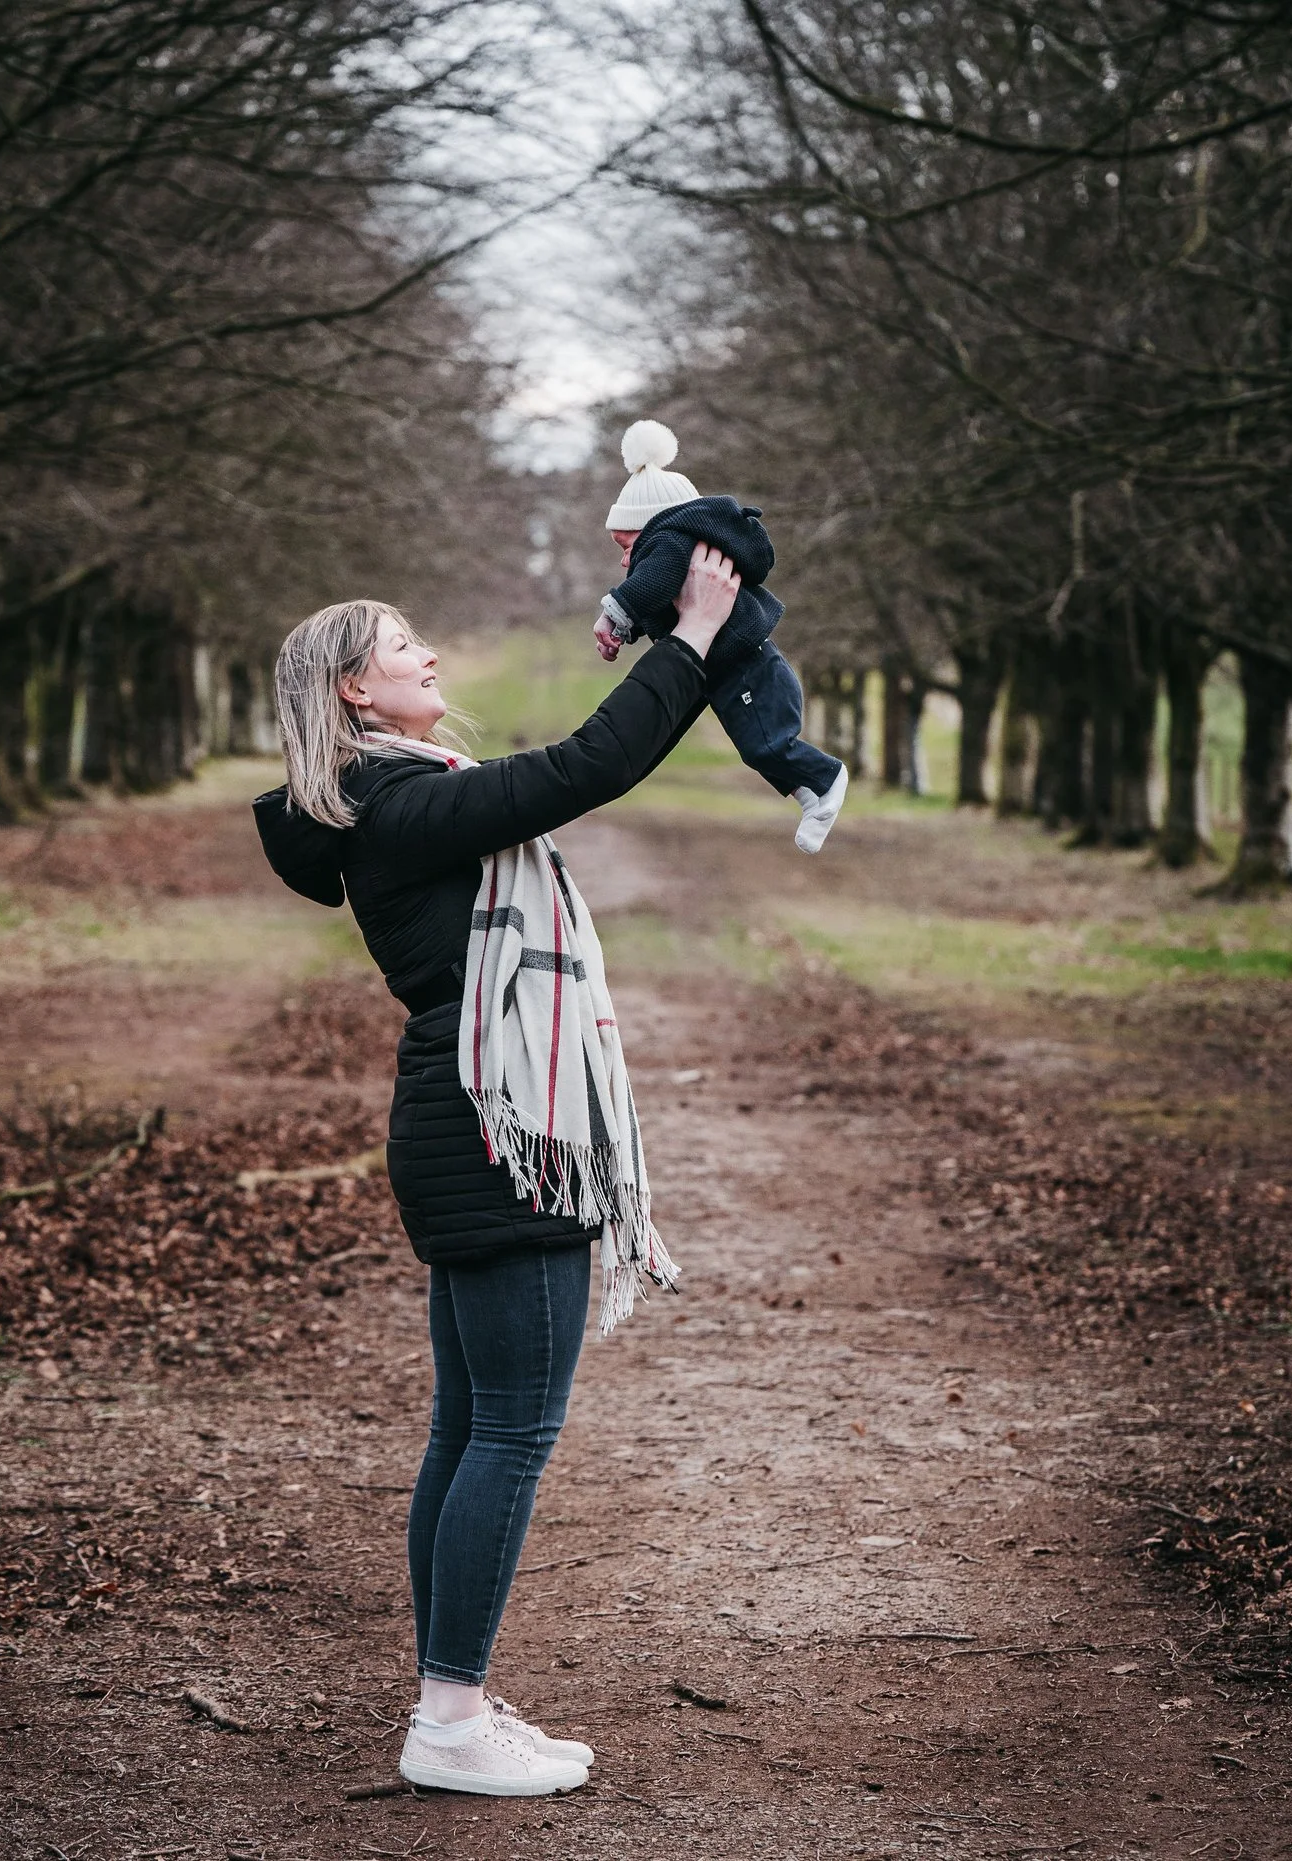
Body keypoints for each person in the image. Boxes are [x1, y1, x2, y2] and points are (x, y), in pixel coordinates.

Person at [251, 548, 741, 1797]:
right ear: (354, 691)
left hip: (466, 1124)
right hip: (495, 1128)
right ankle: (449, 1719)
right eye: (400, 644)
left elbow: (568, 771)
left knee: (470, 1429)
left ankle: (451, 1699)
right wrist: (689, 638)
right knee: (508, 1434)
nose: (427, 655)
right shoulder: (399, 805)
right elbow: (586, 766)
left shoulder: (398, 795)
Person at [592, 420, 849, 852]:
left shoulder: (670, 540)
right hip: (732, 670)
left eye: (625, 546)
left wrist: (612, 613)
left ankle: (826, 778)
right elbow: (659, 598)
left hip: (748, 666)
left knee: (766, 745)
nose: (624, 561)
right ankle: (811, 796)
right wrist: (627, 627)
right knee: (756, 747)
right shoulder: (677, 551)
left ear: (651, 526)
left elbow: (650, 584)